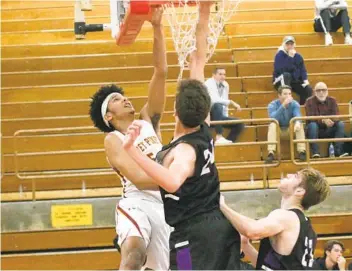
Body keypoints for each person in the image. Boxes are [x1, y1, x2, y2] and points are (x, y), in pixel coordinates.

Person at [122, 2, 241, 270]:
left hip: (193, 237)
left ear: (175, 111)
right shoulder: (204, 125)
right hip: (218, 228)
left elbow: (173, 182)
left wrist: (132, 151)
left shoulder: (185, 151)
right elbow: (199, 57)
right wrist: (205, 10)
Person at [89, 7, 170, 270]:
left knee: (185, 264)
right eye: (116, 99)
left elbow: (161, 72)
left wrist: (157, 28)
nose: (124, 98)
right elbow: (138, 177)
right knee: (134, 254)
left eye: (122, 96)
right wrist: (179, 183)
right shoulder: (112, 138)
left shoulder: (148, 119)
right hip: (139, 201)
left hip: (169, 205)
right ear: (109, 116)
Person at [220, 168, 331, 270]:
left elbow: (251, 231)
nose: (288, 174)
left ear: (299, 191)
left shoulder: (286, 217)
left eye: (295, 176)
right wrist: (245, 245)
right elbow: (272, 266)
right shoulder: (307, 228)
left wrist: (222, 205)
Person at [305, 82, 349, 158]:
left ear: (327, 91)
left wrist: (330, 120)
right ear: (315, 92)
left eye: (323, 90)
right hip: (315, 131)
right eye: (318, 90)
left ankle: (338, 152)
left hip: (329, 129)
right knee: (312, 125)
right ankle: (316, 153)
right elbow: (310, 117)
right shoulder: (309, 101)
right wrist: (322, 120)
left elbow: (336, 116)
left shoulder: (332, 101)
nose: (321, 92)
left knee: (340, 124)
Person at [265, 85, 306, 164]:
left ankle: (302, 151)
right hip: (278, 130)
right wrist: (283, 106)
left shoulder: (294, 104)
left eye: (290, 94)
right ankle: (271, 153)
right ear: (279, 95)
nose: (288, 96)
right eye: (285, 94)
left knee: (299, 123)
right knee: (272, 124)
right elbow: (273, 118)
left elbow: (298, 115)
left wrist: (297, 122)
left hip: (290, 130)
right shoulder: (272, 105)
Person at [205, 67, 244, 145]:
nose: (223, 76)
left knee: (240, 123)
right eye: (220, 74)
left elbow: (224, 101)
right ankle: (219, 136)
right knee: (217, 105)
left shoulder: (225, 84)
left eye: (224, 74)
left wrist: (225, 118)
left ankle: (227, 143)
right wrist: (231, 102)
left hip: (218, 116)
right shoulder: (208, 83)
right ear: (214, 75)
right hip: (208, 116)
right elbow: (214, 100)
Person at [273, 36, 313, 105]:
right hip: (280, 81)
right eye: (287, 44)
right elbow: (282, 70)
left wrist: (305, 80)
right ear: (284, 45)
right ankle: (286, 103)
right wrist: (290, 58)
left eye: (291, 44)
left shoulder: (298, 56)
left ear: (294, 45)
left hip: (293, 81)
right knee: (286, 75)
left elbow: (302, 69)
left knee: (308, 89)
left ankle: (302, 108)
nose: (289, 46)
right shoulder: (279, 55)